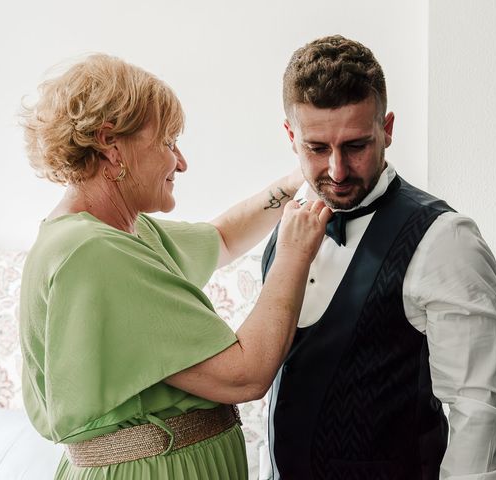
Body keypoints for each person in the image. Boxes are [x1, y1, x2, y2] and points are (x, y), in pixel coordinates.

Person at [19, 53, 331, 480]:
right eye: (167, 143)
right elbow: (246, 376)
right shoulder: (93, 253)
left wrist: (299, 178)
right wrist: (294, 255)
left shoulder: (121, 232)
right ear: (112, 146)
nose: (180, 162)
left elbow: (222, 238)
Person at [261, 35, 496, 479]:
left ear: (388, 128)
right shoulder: (288, 222)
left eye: (356, 145)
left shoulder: (444, 239)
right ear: (290, 136)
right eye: (317, 148)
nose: (337, 171)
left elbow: (479, 414)